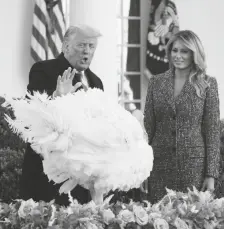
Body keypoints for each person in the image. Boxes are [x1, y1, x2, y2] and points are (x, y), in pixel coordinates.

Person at [20, 24, 104, 206]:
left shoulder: (96, 82)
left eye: (91, 47)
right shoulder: (42, 70)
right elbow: (31, 113)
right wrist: (57, 98)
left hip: (82, 178)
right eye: (82, 45)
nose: (87, 52)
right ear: (66, 46)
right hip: (47, 176)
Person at [144, 30, 220, 203]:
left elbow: (212, 132)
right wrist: (143, 170)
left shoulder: (208, 84)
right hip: (159, 167)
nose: (178, 55)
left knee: (190, 219)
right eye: (175, 50)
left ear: (194, 53)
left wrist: (211, 174)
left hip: (194, 169)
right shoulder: (156, 82)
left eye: (184, 51)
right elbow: (147, 129)